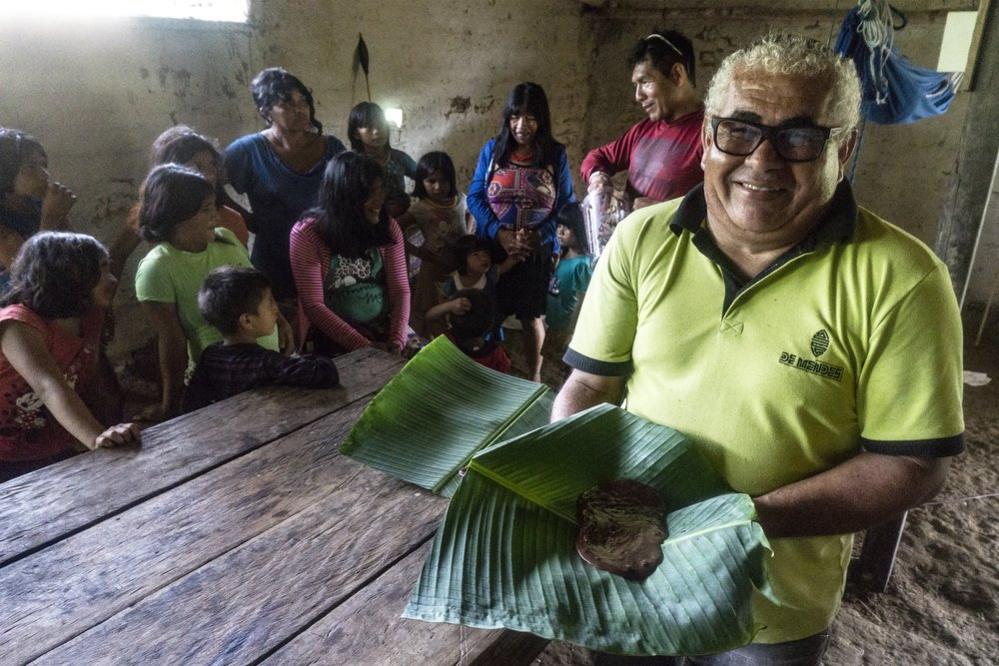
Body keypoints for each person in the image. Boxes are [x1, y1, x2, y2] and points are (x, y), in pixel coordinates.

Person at [554, 33, 964, 665]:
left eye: (800, 138)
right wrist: (576, 485)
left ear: (844, 148)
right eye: (739, 131)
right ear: (708, 136)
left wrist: (738, 518)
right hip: (631, 572)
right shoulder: (641, 238)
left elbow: (912, 465)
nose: (763, 160)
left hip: (769, 608)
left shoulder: (903, 278)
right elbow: (589, 385)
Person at [135, 164, 293, 420]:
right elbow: (172, 343)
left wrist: (282, 323)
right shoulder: (158, 268)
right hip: (227, 380)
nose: (216, 217)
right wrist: (170, 405)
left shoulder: (225, 240)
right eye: (206, 210)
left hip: (269, 364)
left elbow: (256, 288)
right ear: (177, 215)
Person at [0, 232, 139, 482]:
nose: (113, 279)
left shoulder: (90, 316)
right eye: (103, 270)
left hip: (53, 444)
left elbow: (89, 376)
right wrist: (97, 438)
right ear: (71, 274)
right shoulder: (18, 324)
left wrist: (108, 431)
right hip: (5, 454)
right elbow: (48, 386)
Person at [467, 82, 576, 382]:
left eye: (529, 117)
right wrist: (498, 232)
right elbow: (475, 195)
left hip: (534, 250)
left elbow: (566, 204)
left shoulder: (555, 155)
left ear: (541, 119)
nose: (521, 125)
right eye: (515, 116)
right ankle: (490, 371)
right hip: (495, 247)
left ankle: (534, 378)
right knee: (489, 311)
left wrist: (538, 237)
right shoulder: (493, 151)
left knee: (531, 316)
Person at [224, 68, 347, 303]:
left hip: (327, 255)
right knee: (282, 327)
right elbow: (211, 186)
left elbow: (350, 194)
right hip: (275, 259)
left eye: (303, 101)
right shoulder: (248, 151)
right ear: (265, 111)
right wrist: (247, 219)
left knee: (330, 324)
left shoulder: (332, 148)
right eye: (288, 103)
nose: (300, 109)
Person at [289, 151, 410, 355]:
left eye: (380, 191)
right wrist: (366, 347)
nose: (379, 201)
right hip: (331, 336)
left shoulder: (387, 227)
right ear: (345, 197)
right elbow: (314, 306)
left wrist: (397, 339)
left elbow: (400, 290)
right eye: (369, 194)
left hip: (384, 329)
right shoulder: (308, 234)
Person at [182, 266, 339, 412]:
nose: (276, 309)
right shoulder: (266, 362)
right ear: (247, 321)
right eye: (270, 302)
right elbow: (325, 372)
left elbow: (192, 402)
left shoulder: (210, 356)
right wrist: (298, 357)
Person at [581, 30, 704, 210]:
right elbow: (597, 157)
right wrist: (598, 178)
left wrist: (662, 212)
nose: (638, 96)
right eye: (635, 85)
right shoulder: (643, 131)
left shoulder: (710, 135)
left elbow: (727, 211)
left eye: (645, 82)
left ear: (677, 74)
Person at [399, 151, 473, 337]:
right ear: (421, 182)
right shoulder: (420, 208)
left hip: (460, 267)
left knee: (458, 311)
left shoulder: (460, 199)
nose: (438, 187)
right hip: (433, 269)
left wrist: (469, 233)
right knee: (429, 314)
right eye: (431, 181)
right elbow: (395, 229)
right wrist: (417, 252)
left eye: (444, 181)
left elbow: (470, 213)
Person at [0, 128, 77, 289]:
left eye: (43, 165)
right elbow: (29, 280)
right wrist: (49, 219)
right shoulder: (4, 226)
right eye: (30, 168)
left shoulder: (40, 203)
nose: (45, 175)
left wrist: (60, 217)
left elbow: (76, 255)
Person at [150, 125, 250, 247]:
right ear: (173, 172)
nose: (210, 176)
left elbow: (242, 263)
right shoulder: (150, 216)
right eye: (197, 167)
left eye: (212, 165)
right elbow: (120, 251)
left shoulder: (231, 220)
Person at [426, 234, 519, 332]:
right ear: (463, 258)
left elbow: (509, 263)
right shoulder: (453, 281)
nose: (484, 258)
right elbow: (436, 307)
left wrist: (517, 250)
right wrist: (450, 307)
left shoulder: (490, 274)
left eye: (486, 253)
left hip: (487, 326)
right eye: (476, 254)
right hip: (462, 327)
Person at [346, 101, 417, 219]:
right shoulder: (352, 165)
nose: (377, 131)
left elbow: (424, 176)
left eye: (381, 124)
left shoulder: (399, 158)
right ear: (356, 134)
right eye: (369, 127)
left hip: (401, 220)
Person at [545, 203, 592, 350]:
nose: (560, 232)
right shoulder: (563, 254)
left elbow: (583, 302)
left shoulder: (582, 265)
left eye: (567, 228)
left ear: (581, 229)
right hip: (553, 322)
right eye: (559, 226)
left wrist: (572, 333)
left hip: (565, 327)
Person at [442, 288, 511, 374]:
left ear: (450, 319)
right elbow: (505, 368)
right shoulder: (496, 354)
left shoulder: (444, 344)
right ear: (489, 324)